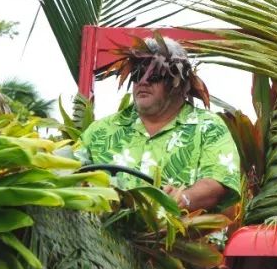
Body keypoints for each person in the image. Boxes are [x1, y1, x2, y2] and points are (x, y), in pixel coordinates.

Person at [83, 34, 241, 213]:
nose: (143, 81)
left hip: (175, 237)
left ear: (178, 82)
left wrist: (184, 198)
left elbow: (217, 182)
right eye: (137, 74)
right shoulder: (100, 130)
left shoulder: (209, 127)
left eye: (154, 75)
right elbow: (69, 171)